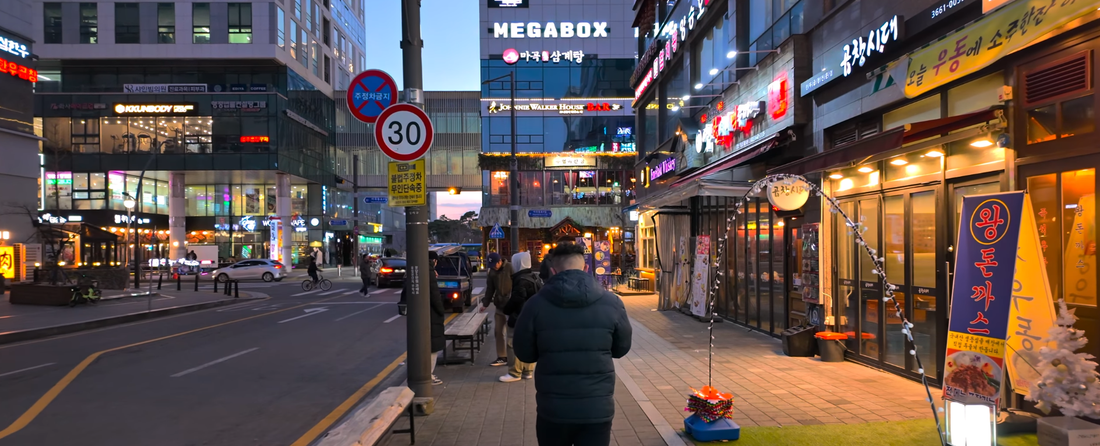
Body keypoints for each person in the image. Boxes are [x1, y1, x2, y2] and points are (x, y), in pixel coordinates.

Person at [513, 244, 632, 446]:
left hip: (553, 409)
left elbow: (524, 354)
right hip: (597, 407)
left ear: (552, 270)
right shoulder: (612, 302)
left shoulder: (534, 305)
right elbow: (621, 349)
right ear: (586, 268)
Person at [402, 251, 445, 385]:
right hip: (430, 314)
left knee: (422, 344)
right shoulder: (429, 272)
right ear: (434, 261)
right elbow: (434, 294)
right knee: (433, 346)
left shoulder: (416, 268)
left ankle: (421, 372)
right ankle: (428, 375)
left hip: (418, 313)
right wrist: (441, 310)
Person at [499, 251, 540, 383]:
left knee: (512, 343)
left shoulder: (520, 280)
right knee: (529, 343)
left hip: (518, 317)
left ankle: (514, 372)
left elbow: (516, 300)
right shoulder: (534, 277)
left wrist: (506, 310)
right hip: (532, 317)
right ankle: (528, 371)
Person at [481, 252, 513, 367]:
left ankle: (513, 357)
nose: (494, 267)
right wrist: (485, 303)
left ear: (500, 261)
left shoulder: (510, 267)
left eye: (495, 264)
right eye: (492, 265)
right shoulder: (492, 272)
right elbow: (490, 289)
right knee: (498, 331)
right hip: (499, 305)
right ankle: (502, 356)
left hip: (511, 305)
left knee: (511, 333)